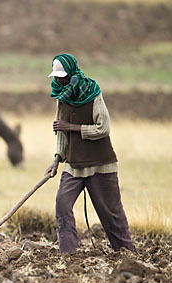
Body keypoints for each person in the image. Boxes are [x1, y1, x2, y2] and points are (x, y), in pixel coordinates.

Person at [45, 53, 134, 254]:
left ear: (72, 73)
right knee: (62, 204)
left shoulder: (92, 93)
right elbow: (61, 131)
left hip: (100, 164)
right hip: (74, 165)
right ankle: (68, 255)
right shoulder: (61, 96)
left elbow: (103, 128)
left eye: (62, 76)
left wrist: (73, 127)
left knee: (110, 213)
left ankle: (127, 253)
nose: (59, 80)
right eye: (56, 77)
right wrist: (57, 158)